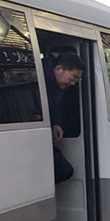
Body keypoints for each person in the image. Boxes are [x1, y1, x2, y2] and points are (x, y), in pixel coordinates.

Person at [43, 52, 84, 185]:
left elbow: (53, 108)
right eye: (73, 78)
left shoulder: (58, 85)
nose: (72, 83)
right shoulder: (38, 79)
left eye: (76, 80)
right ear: (59, 68)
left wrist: (56, 123)